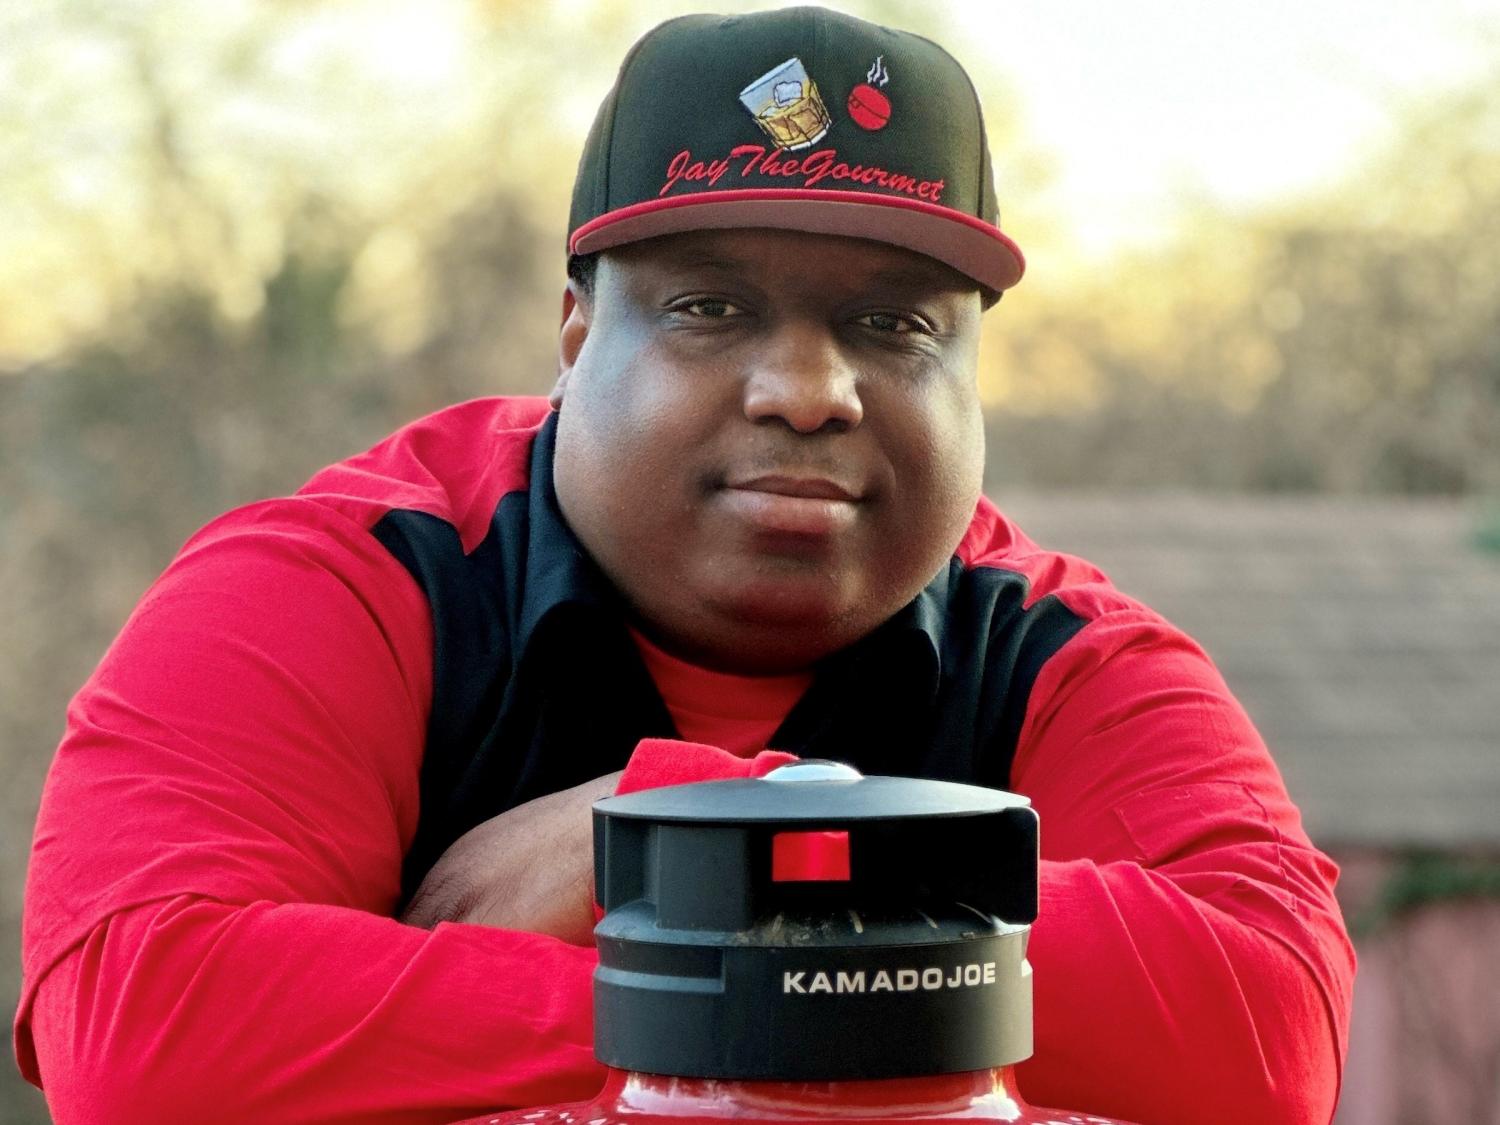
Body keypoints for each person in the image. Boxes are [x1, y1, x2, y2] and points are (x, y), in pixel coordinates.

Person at [16, 7, 1354, 1123]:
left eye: (892, 323)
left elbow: (1268, 1031)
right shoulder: (346, 578)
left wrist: (688, 841)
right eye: (712, 307)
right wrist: (847, 964)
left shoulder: (1061, 648)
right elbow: (141, 1032)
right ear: (572, 330)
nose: (811, 387)